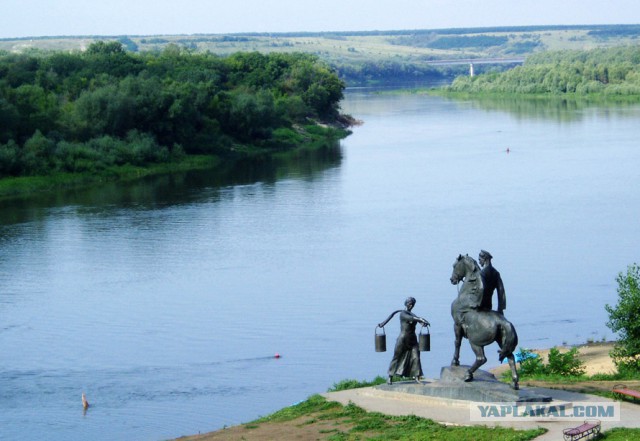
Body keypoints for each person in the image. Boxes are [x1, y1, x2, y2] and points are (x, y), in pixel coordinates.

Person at [378, 297, 430, 384]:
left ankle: (417, 377)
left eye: (412, 304)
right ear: (406, 304)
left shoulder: (412, 314)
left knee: (416, 357)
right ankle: (390, 376)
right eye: (410, 303)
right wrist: (420, 319)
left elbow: (417, 320)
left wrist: (423, 323)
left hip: (413, 340)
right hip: (403, 339)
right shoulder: (402, 314)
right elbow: (413, 319)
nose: (411, 305)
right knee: (397, 357)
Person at [478, 250, 506, 314]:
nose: (479, 262)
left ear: (484, 258)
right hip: (489, 306)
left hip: (480, 306)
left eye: (479, 259)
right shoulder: (496, 273)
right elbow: (501, 290)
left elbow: (482, 288)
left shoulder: (482, 273)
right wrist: (500, 308)